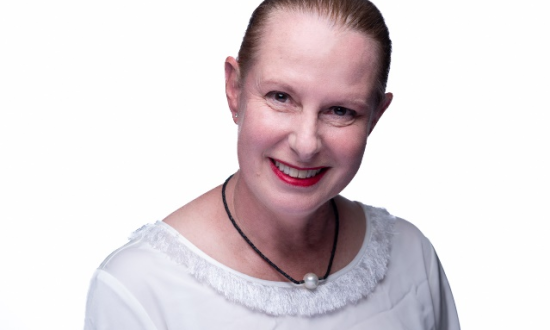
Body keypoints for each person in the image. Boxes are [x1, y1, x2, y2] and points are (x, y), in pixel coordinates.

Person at [84, 0, 460, 329]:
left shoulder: (412, 259)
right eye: (281, 97)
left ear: (375, 117)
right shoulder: (139, 288)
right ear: (234, 89)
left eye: (340, 110)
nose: (306, 143)